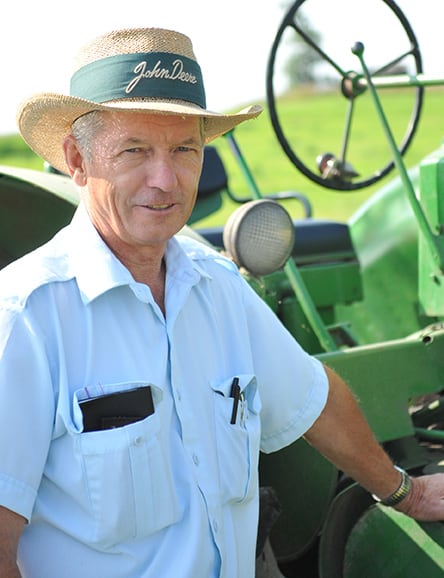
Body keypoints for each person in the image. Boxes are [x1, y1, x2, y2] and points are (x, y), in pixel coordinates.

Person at [0, 26, 443, 578]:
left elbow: (314, 400)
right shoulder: (27, 318)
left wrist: (406, 492)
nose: (165, 180)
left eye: (184, 149)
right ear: (77, 159)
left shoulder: (219, 286)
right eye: (135, 150)